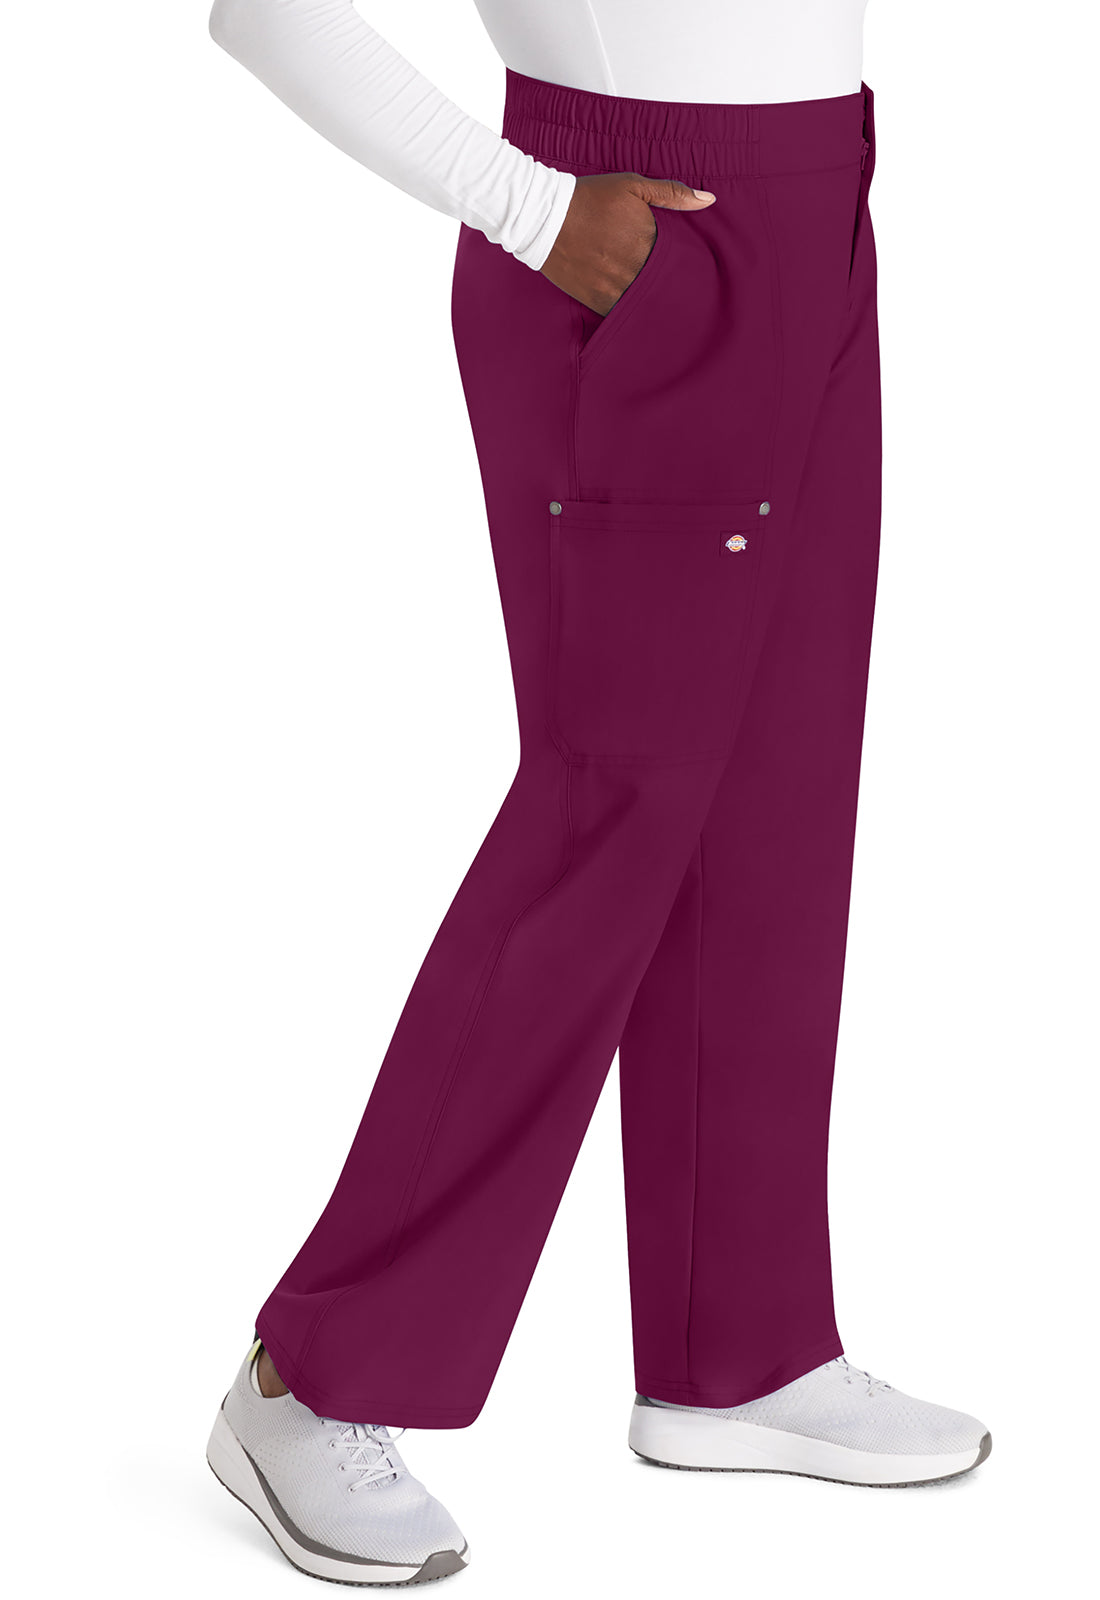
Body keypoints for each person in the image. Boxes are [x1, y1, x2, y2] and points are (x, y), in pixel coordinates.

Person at [204, 0, 991, 1584]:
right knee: (606, 815)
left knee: (772, 803)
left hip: (819, 207)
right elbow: (264, 11)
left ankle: (741, 1348)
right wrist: (528, 208)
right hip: (639, 233)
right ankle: (317, 1375)